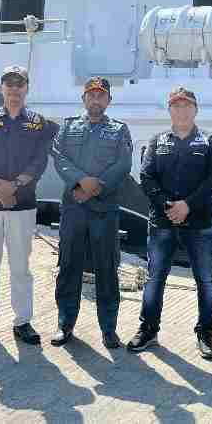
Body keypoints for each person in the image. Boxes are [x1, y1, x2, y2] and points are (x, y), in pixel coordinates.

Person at [127, 87, 212, 358]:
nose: (181, 110)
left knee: (206, 280)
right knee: (155, 278)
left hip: (200, 224)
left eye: (187, 105)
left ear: (196, 109)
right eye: (176, 105)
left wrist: (187, 205)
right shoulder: (158, 140)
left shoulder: (210, 141)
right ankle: (148, 329)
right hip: (162, 222)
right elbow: (146, 177)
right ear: (169, 110)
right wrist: (168, 206)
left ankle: (205, 333)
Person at [0, 65, 58, 349]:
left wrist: (14, 188)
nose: (15, 89)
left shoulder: (38, 123)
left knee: (21, 267)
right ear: (1, 89)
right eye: (9, 84)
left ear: (27, 89)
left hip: (22, 207)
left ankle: (22, 322)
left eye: (20, 84)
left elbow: (39, 161)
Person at [51, 77, 133, 349]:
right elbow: (59, 157)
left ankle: (109, 329)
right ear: (84, 99)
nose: (96, 100)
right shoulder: (68, 127)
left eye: (101, 95)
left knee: (107, 269)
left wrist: (95, 187)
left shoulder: (119, 131)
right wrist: (81, 182)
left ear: (108, 100)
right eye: (91, 95)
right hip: (74, 207)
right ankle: (65, 325)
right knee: (69, 267)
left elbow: (123, 165)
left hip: (104, 210)